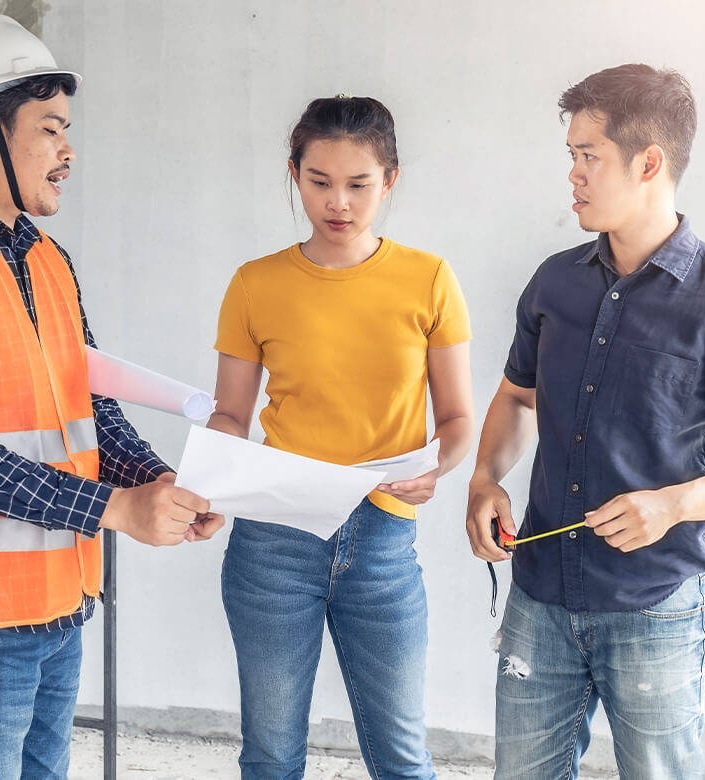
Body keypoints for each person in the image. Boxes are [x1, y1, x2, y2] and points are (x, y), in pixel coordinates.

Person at [0, 15, 222, 779]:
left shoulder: (44, 256)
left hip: (54, 600)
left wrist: (152, 480)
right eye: (50, 129)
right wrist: (115, 511)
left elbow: (86, 403)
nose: (68, 152)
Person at [466, 64, 705, 779]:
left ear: (648, 162)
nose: (572, 174)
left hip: (656, 604)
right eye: (571, 155)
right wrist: (482, 479)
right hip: (539, 592)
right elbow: (514, 396)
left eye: (587, 155)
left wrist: (671, 505)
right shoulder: (553, 282)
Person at [208, 95, 475, 780]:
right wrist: (208, 472)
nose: (338, 203)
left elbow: (456, 420)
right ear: (293, 173)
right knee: (269, 754)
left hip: (383, 538)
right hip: (273, 537)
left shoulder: (428, 279)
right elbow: (231, 414)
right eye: (319, 181)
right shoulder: (255, 283)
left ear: (390, 180)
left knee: (403, 757)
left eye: (359, 184)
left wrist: (435, 469)